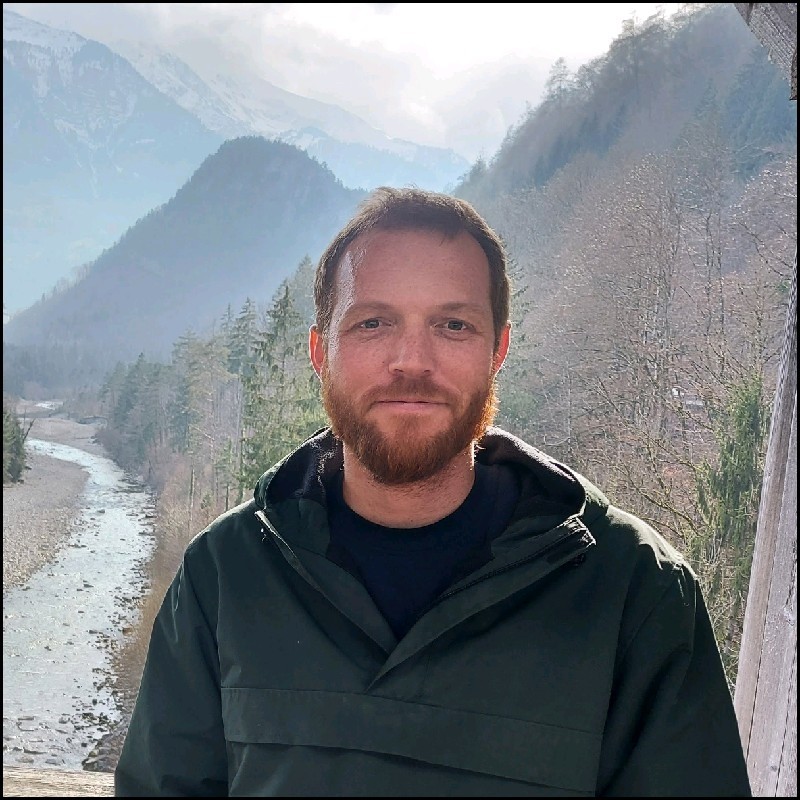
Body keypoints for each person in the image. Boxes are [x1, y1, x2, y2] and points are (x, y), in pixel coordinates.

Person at [114, 187, 752, 797]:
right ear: (320, 352)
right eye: (373, 323)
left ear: (498, 349)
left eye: (452, 324)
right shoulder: (224, 574)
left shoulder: (635, 593)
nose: (411, 360)